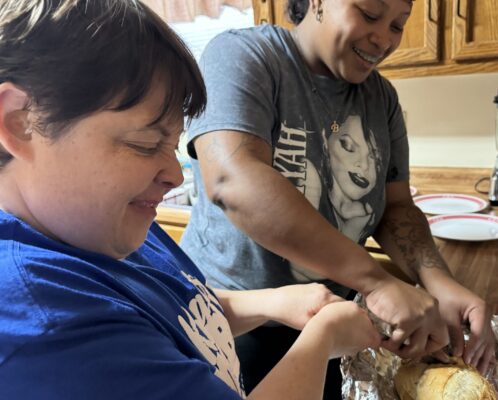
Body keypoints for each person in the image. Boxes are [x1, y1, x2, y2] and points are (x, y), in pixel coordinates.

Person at [0, 1, 382, 399]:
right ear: (21, 122)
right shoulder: (47, 326)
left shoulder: (104, 226)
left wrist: (272, 301)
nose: (175, 175)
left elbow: (179, 310)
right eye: (144, 143)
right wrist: (321, 341)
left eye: (172, 144)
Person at [180, 0, 498, 397]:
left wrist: (438, 280)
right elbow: (233, 179)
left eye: (398, 25)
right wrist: (377, 282)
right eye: (369, 14)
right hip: (235, 322)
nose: (384, 39)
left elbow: (396, 207)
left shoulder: (381, 98)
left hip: (334, 323)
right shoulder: (244, 55)